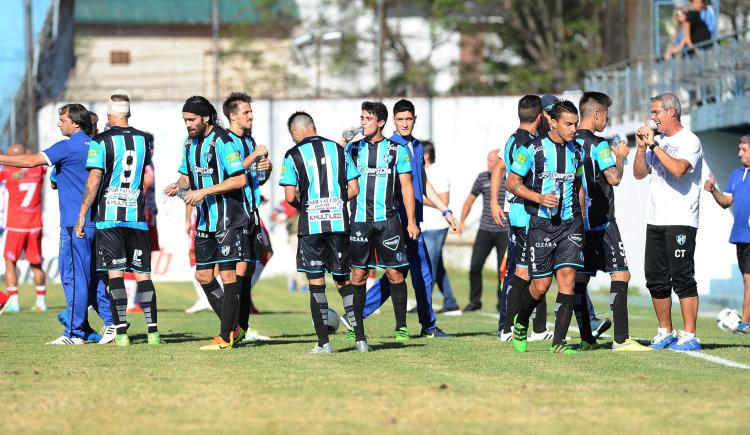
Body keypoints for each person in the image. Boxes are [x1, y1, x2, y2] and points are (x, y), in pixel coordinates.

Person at [0, 104, 113, 344]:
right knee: (91, 278)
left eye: (62, 119)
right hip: (94, 222)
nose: (59, 123)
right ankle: (107, 325)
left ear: (76, 123)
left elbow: (32, 162)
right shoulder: (95, 146)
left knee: (73, 279)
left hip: (75, 224)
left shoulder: (67, 147)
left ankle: (74, 333)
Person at [358, 99, 457, 338]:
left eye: (408, 119)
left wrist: (445, 210)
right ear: (393, 121)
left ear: (415, 119)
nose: (404, 123)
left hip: (412, 220)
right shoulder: (391, 146)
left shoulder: (417, 147)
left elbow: (422, 185)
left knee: (401, 272)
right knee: (417, 271)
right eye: (400, 119)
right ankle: (428, 326)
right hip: (395, 221)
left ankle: (356, 315)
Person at [164, 96, 250, 350]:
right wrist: (176, 185)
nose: (188, 124)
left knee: (227, 274)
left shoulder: (223, 142)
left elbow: (239, 180)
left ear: (207, 117)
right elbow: (186, 178)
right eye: (185, 120)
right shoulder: (190, 144)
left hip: (228, 219)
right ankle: (234, 327)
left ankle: (225, 337)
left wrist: (204, 192)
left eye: (191, 119)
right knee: (203, 275)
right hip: (205, 220)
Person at [75, 91, 159, 346]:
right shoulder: (144, 140)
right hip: (136, 217)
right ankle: (153, 333)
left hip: (109, 218)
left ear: (109, 115)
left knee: (116, 274)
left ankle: (121, 333)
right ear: (129, 113)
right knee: (143, 275)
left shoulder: (101, 140)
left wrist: (82, 215)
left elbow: (95, 178)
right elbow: (144, 176)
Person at [279, 111, 365, 353]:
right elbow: (355, 188)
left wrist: (307, 205)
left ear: (295, 133)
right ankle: (361, 340)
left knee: (316, 283)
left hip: (312, 227)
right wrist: (334, 201)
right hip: (339, 224)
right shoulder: (339, 150)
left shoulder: (293, 155)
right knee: (344, 282)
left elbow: (289, 196)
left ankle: (323, 344)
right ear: (313, 126)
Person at [506, 100, 585, 356]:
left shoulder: (577, 151)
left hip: (570, 224)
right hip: (540, 225)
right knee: (540, 286)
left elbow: (580, 186)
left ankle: (559, 343)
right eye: (569, 124)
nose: (574, 128)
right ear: (553, 122)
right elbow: (512, 183)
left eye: (576, 123)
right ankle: (520, 322)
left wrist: (581, 217)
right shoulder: (531, 149)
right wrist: (539, 198)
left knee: (568, 280)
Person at [575, 91, 650, 351]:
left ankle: (586, 338)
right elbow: (614, 178)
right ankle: (621, 339)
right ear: (596, 114)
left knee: (581, 278)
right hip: (602, 221)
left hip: (578, 222)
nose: (607, 120)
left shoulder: (570, 142)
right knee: (621, 273)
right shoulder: (599, 144)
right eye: (606, 114)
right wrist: (620, 155)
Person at [634, 92, 703, 351]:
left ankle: (690, 334)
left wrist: (654, 146)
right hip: (655, 218)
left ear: (671, 112)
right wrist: (642, 148)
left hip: (681, 218)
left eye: (656, 112)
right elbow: (640, 174)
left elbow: (678, 169)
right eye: (652, 113)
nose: (653, 118)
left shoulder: (690, 140)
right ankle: (665, 330)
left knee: (682, 276)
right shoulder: (657, 141)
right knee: (655, 277)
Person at [346, 101, 419, 341]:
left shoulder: (396, 150)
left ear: (381, 123)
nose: (362, 123)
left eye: (367, 119)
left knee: (394, 274)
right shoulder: (353, 149)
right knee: (358, 275)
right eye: (362, 118)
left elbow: (407, 187)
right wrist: (343, 140)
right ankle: (357, 330)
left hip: (388, 221)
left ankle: (401, 326)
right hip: (359, 221)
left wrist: (411, 221)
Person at [222, 91, 272, 342]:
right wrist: (255, 157)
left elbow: (257, 180)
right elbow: (232, 171)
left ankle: (241, 327)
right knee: (237, 271)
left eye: (251, 111)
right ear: (233, 116)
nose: (251, 116)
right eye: (246, 112)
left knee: (249, 268)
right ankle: (232, 328)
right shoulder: (225, 141)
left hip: (252, 214)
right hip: (233, 215)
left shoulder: (250, 142)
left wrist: (267, 169)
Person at [704, 135, 750, 334]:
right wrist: (714, 190)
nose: (739, 153)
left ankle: (745, 323)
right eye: (739, 149)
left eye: (744, 150)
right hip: (740, 236)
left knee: (749, 280)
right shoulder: (735, 174)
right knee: (746, 280)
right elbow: (725, 202)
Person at [459, 149, 510, 314]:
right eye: (488, 161)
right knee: (474, 266)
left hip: (505, 231)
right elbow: (469, 200)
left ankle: (502, 302)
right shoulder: (482, 178)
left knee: (502, 270)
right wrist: (462, 221)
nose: (490, 164)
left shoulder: (511, 177)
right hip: (485, 229)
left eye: (493, 161)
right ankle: (475, 301)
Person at [0, 144, 47, 313]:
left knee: (10, 263)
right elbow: (32, 156)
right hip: (35, 225)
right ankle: (41, 302)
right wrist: (26, 153)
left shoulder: (6, 171)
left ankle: (13, 301)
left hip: (15, 225)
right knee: (36, 264)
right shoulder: (38, 170)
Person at [420, 140, 460, 315]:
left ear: (426, 155)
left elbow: (443, 201)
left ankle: (425, 304)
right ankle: (450, 302)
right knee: (438, 265)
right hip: (425, 226)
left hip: (436, 227)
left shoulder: (437, 172)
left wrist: (419, 199)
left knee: (430, 266)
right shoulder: (422, 172)